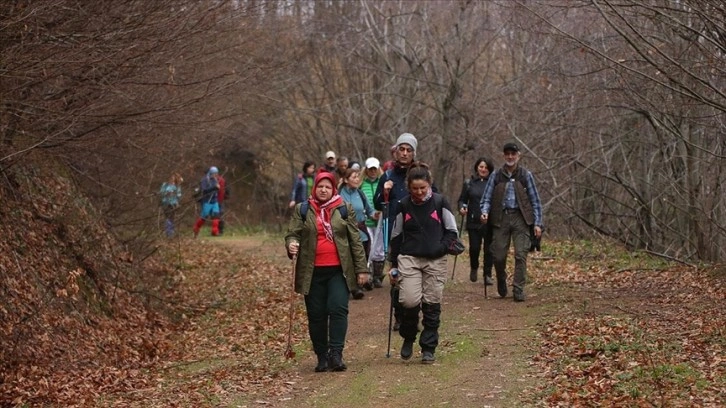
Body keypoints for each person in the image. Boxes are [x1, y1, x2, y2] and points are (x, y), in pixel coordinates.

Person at [285, 172, 369, 372]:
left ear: (333, 189)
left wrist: (361, 269)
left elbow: (355, 241)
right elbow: (292, 233)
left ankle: (336, 354)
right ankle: (322, 356)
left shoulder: (343, 208)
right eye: (320, 186)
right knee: (316, 315)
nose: (323, 190)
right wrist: (292, 244)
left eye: (328, 187)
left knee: (338, 308)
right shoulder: (303, 209)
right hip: (311, 272)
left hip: (338, 271)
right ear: (315, 189)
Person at [387, 163, 459, 364]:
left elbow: (452, 232)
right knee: (409, 301)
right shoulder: (403, 204)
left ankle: (428, 347)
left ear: (429, 185)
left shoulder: (440, 202)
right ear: (409, 187)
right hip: (409, 259)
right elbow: (396, 235)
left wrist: (441, 248)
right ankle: (409, 336)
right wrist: (393, 264)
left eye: (423, 188)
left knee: (432, 303)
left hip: (435, 260)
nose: (419, 192)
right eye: (415, 188)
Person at [479, 142, 543, 302]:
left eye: (513, 154)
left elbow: (535, 201)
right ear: (503, 155)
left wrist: (537, 223)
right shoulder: (496, 175)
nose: (510, 157)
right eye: (507, 154)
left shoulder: (525, 175)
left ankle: (518, 288)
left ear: (518, 155)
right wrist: (484, 212)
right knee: (498, 255)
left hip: (521, 218)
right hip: (500, 218)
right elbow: (486, 197)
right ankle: (501, 279)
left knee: (521, 254)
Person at [373, 132, 419, 331]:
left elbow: (432, 195)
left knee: (416, 275)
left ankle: (413, 316)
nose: (405, 153)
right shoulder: (388, 175)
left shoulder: (420, 173)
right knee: (396, 274)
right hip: (394, 232)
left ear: (414, 153)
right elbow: (377, 202)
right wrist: (385, 190)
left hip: (416, 231)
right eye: (402, 149)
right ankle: (399, 316)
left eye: (409, 150)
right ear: (396, 151)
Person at [339, 167, 377, 297]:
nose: (357, 180)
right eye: (354, 177)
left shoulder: (360, 194)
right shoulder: (338, 195)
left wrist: (376, 214)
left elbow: (369, 210)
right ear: (345, 180)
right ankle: (353, 287)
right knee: (348, 258)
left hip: (361, 231)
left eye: (357, 177)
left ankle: (360, 282)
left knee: (361, 257)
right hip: (344, 231)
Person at [457, 157, 495, 284]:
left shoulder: (493, 183)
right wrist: (462, 207)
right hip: (473, 221)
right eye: (481, 167)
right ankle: (474, 267)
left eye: (485, 167)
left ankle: (487, 274)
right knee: (474, 248)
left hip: (490, 221)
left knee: (489, 249)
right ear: (477, 168)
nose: (483, 169)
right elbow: (462, 200)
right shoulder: (469, 183)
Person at [360, 157, 385, 288]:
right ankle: (367, 275)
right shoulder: (361, 184)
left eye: (375, 169)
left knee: (379, 249)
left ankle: (377, 276)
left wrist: (381, 212)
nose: (373, 171)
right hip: (366, 222)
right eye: (371, 169)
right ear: (366, 170)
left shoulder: (382, 182)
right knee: (368, 248)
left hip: (380, 221)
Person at [193, 166, 221, 238]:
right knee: (204, 217)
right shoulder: (205, 180)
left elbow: (217, 189)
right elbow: (204, 190)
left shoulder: (216, 179)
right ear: (211, 173)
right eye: (215, 173)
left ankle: (215, 231)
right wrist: (214, 187)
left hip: (214, 200)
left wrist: (217, 188)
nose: (216, 175)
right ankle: (196, 228)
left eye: (217, 173)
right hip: (207, 201)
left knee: (216, 215)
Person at [159, 172, 183, 238]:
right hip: (166, 203)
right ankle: (169, 233)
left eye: (173, 178)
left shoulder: (177, 186)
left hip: (174, 204)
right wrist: (167, 193)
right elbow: (161, 193)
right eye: (171, 178)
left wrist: (175, 193)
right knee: (168, 217)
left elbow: (179, 195)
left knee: (172, 218)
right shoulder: (165, 185)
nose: (172, 179)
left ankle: (171, 232)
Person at [217, 171, 229, 235]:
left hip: (217, 200)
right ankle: (220, 230)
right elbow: (227, 189)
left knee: (217, 215)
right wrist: (227, 196)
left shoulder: (214, 180)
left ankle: (219, 230)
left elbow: (226, 189)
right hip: (220, 200)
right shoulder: (222, 180)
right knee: (220, 215)